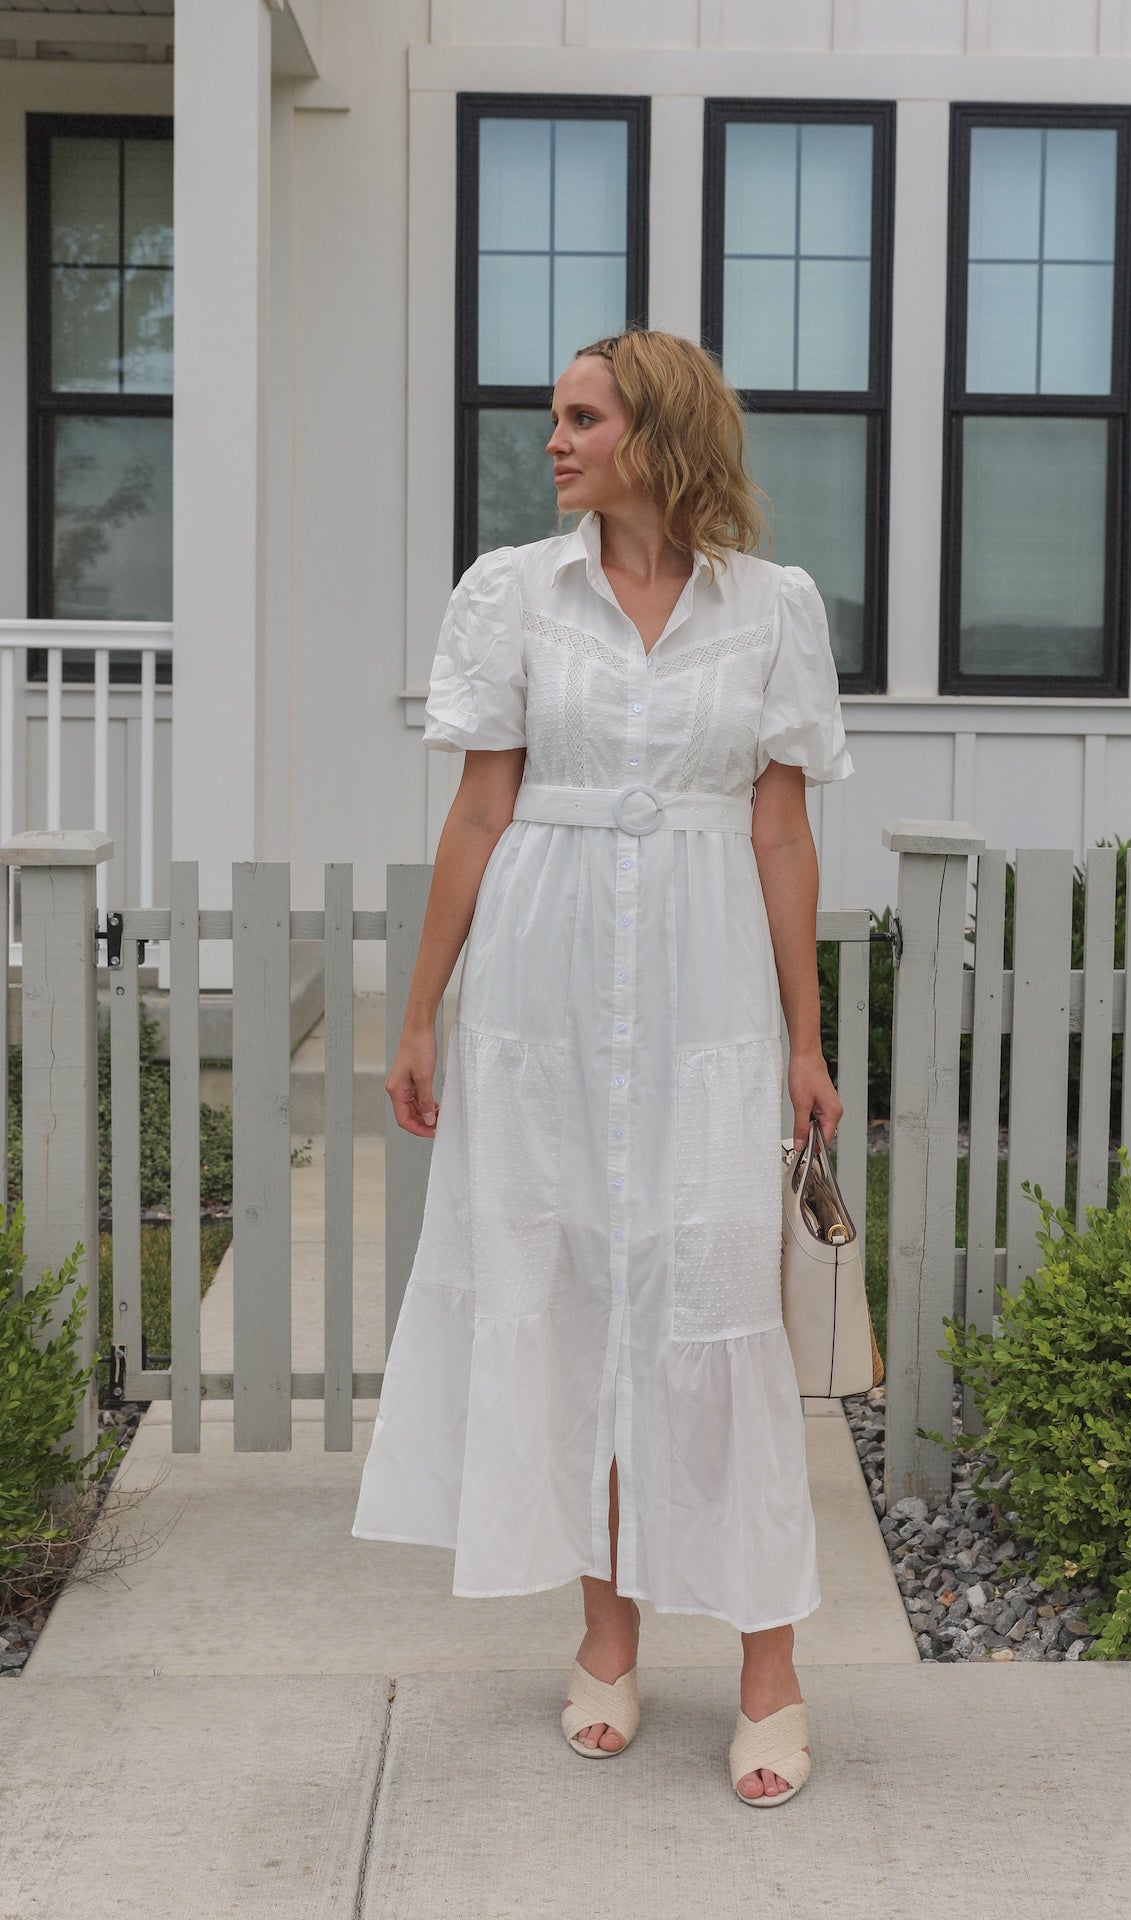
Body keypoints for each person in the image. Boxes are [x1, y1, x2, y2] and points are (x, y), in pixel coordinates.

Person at [351, 327, 853, 1806]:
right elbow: (477, 814)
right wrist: (423, 1007)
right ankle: (609, 1642)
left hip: (705, 987)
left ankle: (769, 1670)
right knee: (570, 1298)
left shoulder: (774, 609)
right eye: (553, 417)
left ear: (661, 433)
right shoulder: (512, 591)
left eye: (583, 417)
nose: (554, 439)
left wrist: (807, 1037)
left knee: (715, 1301)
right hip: (542, 982)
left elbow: (780, 831)